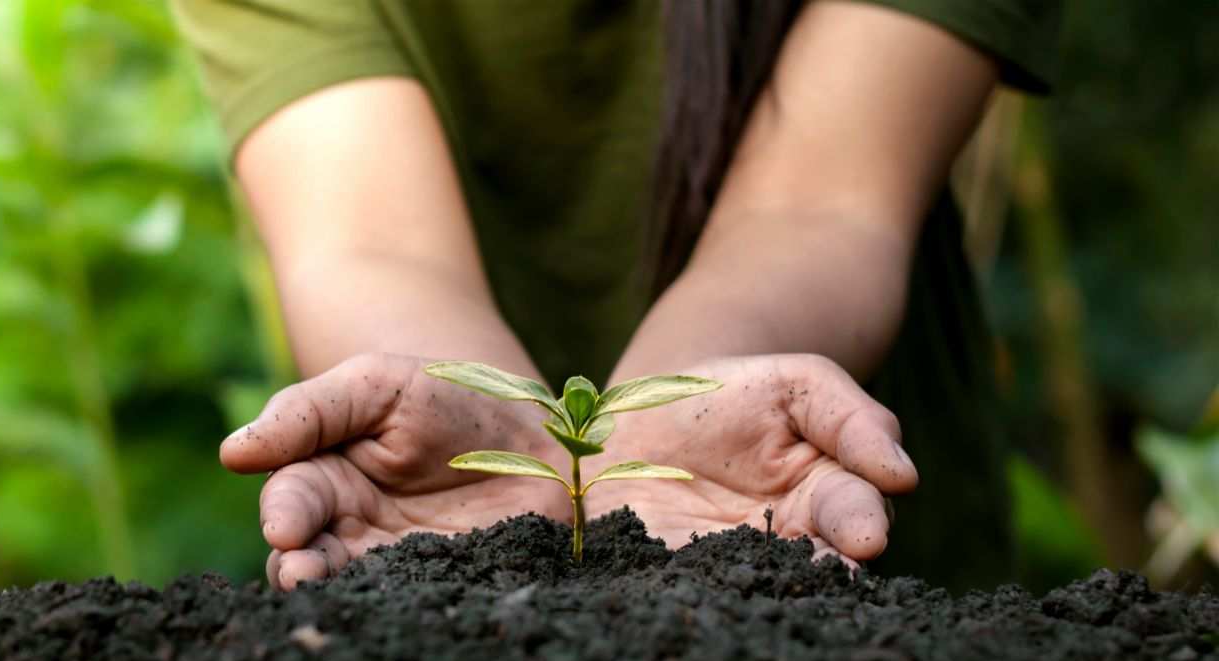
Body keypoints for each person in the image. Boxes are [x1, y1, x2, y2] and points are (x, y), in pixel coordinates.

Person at [173, 0, 1058, 591]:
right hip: (437, 517)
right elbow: (369, 243)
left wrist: (684, 417)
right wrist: (486, 418)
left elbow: (821, 205)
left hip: (816, 547)